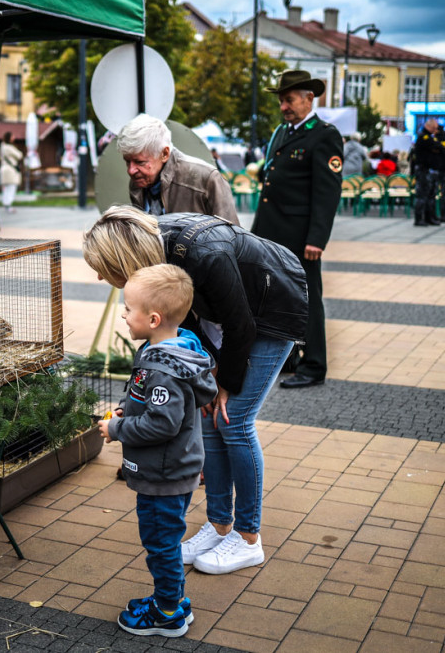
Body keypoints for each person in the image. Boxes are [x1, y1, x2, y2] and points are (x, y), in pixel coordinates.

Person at [83, 206, 308, 576]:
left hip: (271, 307)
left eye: (102, 266)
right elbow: (186, 318)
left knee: (233, 421)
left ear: (123, 259)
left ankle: (249, 539)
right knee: (208, 421)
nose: (97, 275)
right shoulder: (160, 258)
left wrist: (224, 383)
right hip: (232, 315)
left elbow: (241, 325)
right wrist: (207, 370)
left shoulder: (205, 255)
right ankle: (220, 525)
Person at [98, 264, 217, 638]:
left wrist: (116, 428)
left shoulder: (163, 368)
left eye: (128, 307)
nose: (123, 313)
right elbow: (152, 404)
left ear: (152, 318)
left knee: (160, 543)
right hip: (170, 468)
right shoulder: (165, 350)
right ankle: (173, 599)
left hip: (163, 475)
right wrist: (126, 409)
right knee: (164, 539)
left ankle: (167, 613)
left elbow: (162, 423)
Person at [251, 70, 343, 390]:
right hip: (272, 231)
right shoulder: (283, 132)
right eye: (281, 101)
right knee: (274, 297)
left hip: (301, 237)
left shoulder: (324, 135)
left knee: (307, 299)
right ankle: (289, 358)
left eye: (289, 100)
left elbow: (327, 192)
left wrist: (317, 238)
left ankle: (314, 365)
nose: (284, 107)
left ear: (308, 98)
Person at [118, 114, 238, 224]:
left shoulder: (207, 178)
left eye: (140, 162)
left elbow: (233, 237)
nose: (131, 170)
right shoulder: (139, 180)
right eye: (127, 161)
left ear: (164, 154)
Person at [410, 119, 445, 226]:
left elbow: (441, 148)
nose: (436, 131)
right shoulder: (424, 137)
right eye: (434, 128)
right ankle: (419, 218)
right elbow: (437, 147)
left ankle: (429, 217)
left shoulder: (430, 137)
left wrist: (436, 147)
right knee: (422, 195)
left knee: (431, 195)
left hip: (429, 170)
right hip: (423, 170)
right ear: (428, 126)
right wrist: (436, 147)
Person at [0, 131, 23, 214]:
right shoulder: (8, 147)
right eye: (12, 136)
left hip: (5, 169)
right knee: (11, 187)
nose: (14, 138)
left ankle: (6, 204)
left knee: (6, 188)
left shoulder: (2, 146)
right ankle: (8, 205)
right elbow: (19, 155)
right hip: (10, 170)